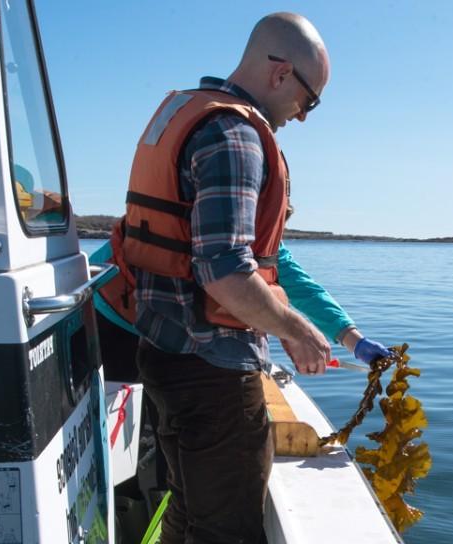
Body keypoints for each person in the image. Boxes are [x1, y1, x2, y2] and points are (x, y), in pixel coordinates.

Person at [107, 13, 391, 543]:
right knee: (228, 532)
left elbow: (268, 258)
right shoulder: (235, 135)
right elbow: (226, 271)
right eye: (310, 101)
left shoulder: (191, 115)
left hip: (165, 358)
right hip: (212, 376)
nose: (303, 117)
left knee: (188, 515)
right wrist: (295, 330)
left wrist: (343, 333)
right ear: (281, 73)